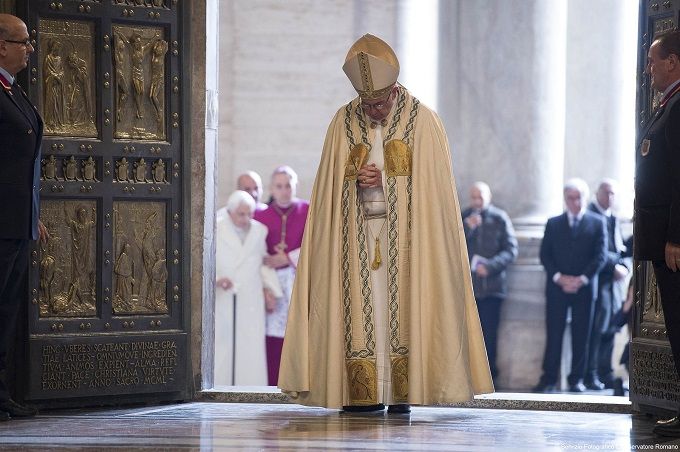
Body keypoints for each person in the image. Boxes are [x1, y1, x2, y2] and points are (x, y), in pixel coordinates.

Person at [277, 34, 493, 413]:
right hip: (354, 249)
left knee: (400, 313)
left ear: (394, 90)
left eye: (379, 103)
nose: (374, 111)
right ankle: (359, 393)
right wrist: (355, 184)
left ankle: (400, 394)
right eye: (368, 104)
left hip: (405, 249)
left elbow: (434, 201)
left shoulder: (423, 122)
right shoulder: (342, 122)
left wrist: (388, 186)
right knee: (359, 317)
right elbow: (329, 197)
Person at [0, 13, 48, 421]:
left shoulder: (14, 91)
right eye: (23, 41)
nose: (30, 48)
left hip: (16, 221)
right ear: (1, 45)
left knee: (6, 310)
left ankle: (1, 394)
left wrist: (33, 212)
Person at [635, 30, 680, 437]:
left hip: (673, 242)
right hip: (661, 236)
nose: (648, 69)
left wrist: (675, 237)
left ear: (673, 61)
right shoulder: (667, 104)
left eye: (653, 61)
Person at [534, 178, 606, 393]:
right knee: (554, 333)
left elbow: (600, 256)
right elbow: (545, 255)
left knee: (581, 334)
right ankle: (548, 379)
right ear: (565, 199)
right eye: (570, 198)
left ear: (585, 198)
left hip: (585, 288)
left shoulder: (597, 222)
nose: (575, 202)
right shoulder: (553, 223)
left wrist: (581, 279)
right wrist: (559, 277)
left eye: (578, 198)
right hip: (557, 287)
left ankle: (576, 379)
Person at [214, 190, 281, 385]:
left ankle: (251, 388)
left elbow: (262, 263)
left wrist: (270, 290)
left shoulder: (260, 230)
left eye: (249, 213)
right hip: (224, 295)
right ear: (231, 212)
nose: (246, 219)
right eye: (241, 214)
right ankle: (221, 386)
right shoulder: (216, 228)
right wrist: (216, 279)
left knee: (250, 346)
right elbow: (205, 263)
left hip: (251, 297)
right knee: (223, 344)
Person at [253, 166, 309, 386]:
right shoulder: (260, 215)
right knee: (272, 336)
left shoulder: (308, 211)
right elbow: (255, 253)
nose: (284, 190)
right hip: (271, 283)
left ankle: (298, 382)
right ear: (272, 188)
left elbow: (317, 244)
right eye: (279, 186)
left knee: (298, 334)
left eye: (288, 185)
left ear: (294, 186)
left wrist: (287, 257)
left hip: (299, 281)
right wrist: (265, 288)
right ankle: (272, 384)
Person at [462, 182, 518, 384]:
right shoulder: (464, 217)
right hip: (468, 288)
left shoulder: (499, 218)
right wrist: (467, 229)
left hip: (493, 287)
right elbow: (452, 245)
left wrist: (491, 266)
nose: (477, 201)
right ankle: (469, 377)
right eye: (474, 197)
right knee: (467, 335)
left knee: (489, 335)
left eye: (480, 197)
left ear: (488, 197)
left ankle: (490, 377)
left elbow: (511, 250)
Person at [584, 179, 629, 391]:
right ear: (598, 193)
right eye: (606, 193)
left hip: (614, 285)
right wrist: (615, 266)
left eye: (613, 194)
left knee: (611, 327)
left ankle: (605, 371)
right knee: (597, 329)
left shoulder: (614, 218)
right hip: (599, 281)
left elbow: (619, 249)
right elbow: (596, 251)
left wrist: (623, 266)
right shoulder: (591, 216)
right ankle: (591, 373)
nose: (610, 197)